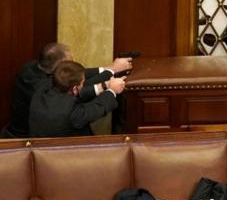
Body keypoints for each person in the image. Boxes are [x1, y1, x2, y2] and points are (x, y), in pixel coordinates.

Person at [2, 43, 132, 138]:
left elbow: (74, 78)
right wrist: (112, 90)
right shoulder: (67, 107)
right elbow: (96, 107)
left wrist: (108, 71)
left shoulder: (40, 80)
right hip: (29, 141)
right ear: (59, 70)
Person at [28, 60, 126, 137]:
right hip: (67, 156)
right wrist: (112, 90)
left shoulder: (41, 90)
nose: (84, 85)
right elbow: (96, 108)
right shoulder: (71, 110)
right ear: (75, 88)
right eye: (83, 83)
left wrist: (105, 84)